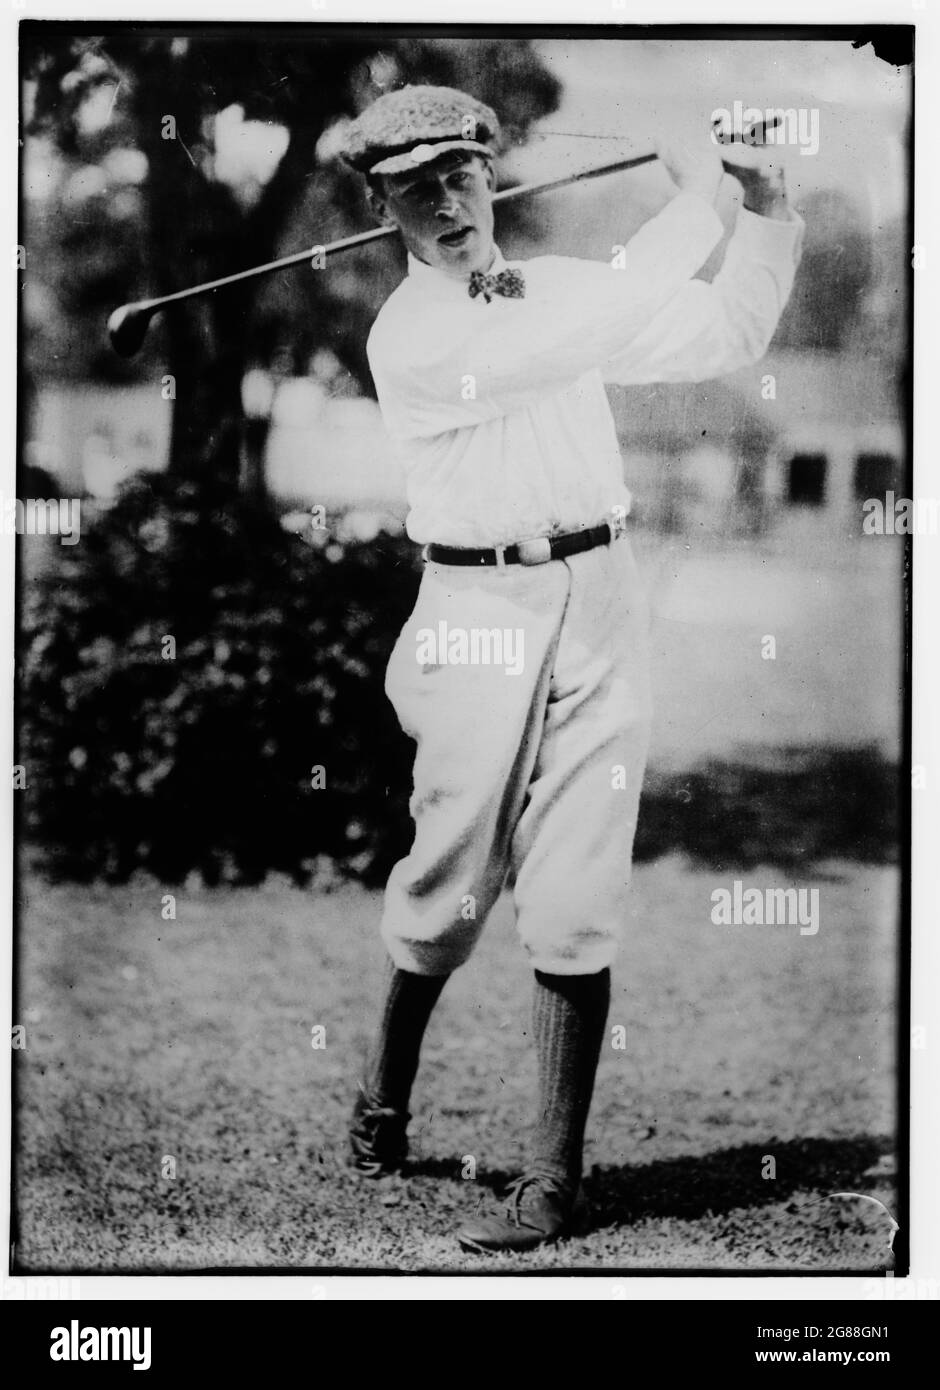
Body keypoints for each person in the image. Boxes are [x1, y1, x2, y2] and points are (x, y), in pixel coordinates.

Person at [340, 84, 803, 1253]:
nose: (443, 202)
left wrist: (763, 209)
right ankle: (381, 1104)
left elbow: (722, 335)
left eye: (458, 174)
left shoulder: (555, 294)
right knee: (446, 884)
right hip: (474, 607)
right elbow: (604, 315)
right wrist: (694, 193)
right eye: (412, 188)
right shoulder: (414, 335)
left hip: (602, 591)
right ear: (381, 207)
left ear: (490, 176)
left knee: (580, 880)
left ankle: (553, 1179)